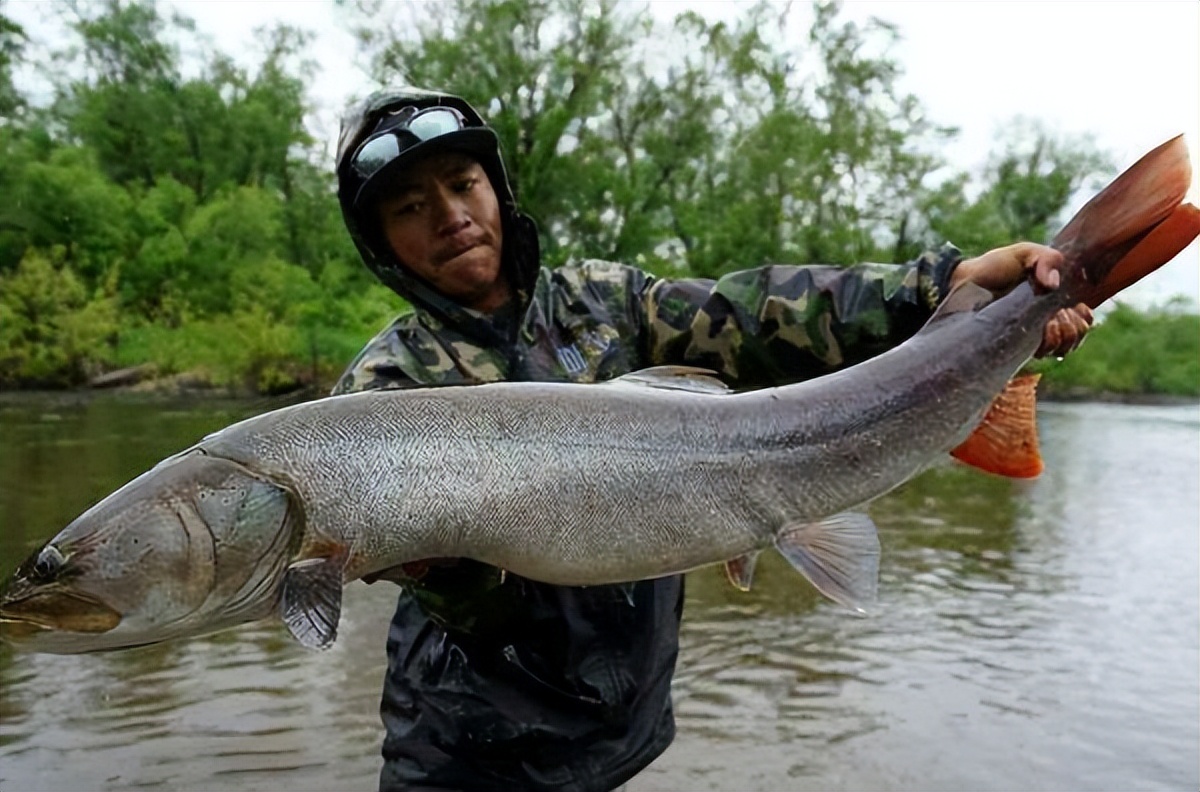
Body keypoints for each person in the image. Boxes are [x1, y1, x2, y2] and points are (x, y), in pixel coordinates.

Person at [332, 88, 1092, 792]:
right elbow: (465, 607)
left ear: (496, 188)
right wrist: (432, 561)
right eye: (409, 205)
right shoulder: (386, 386)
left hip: (621, 726)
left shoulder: (603, 302)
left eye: (463, 184)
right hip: (466, 747)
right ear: (382, 244)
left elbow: (760, 312)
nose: (450, 215)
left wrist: (943, 287)